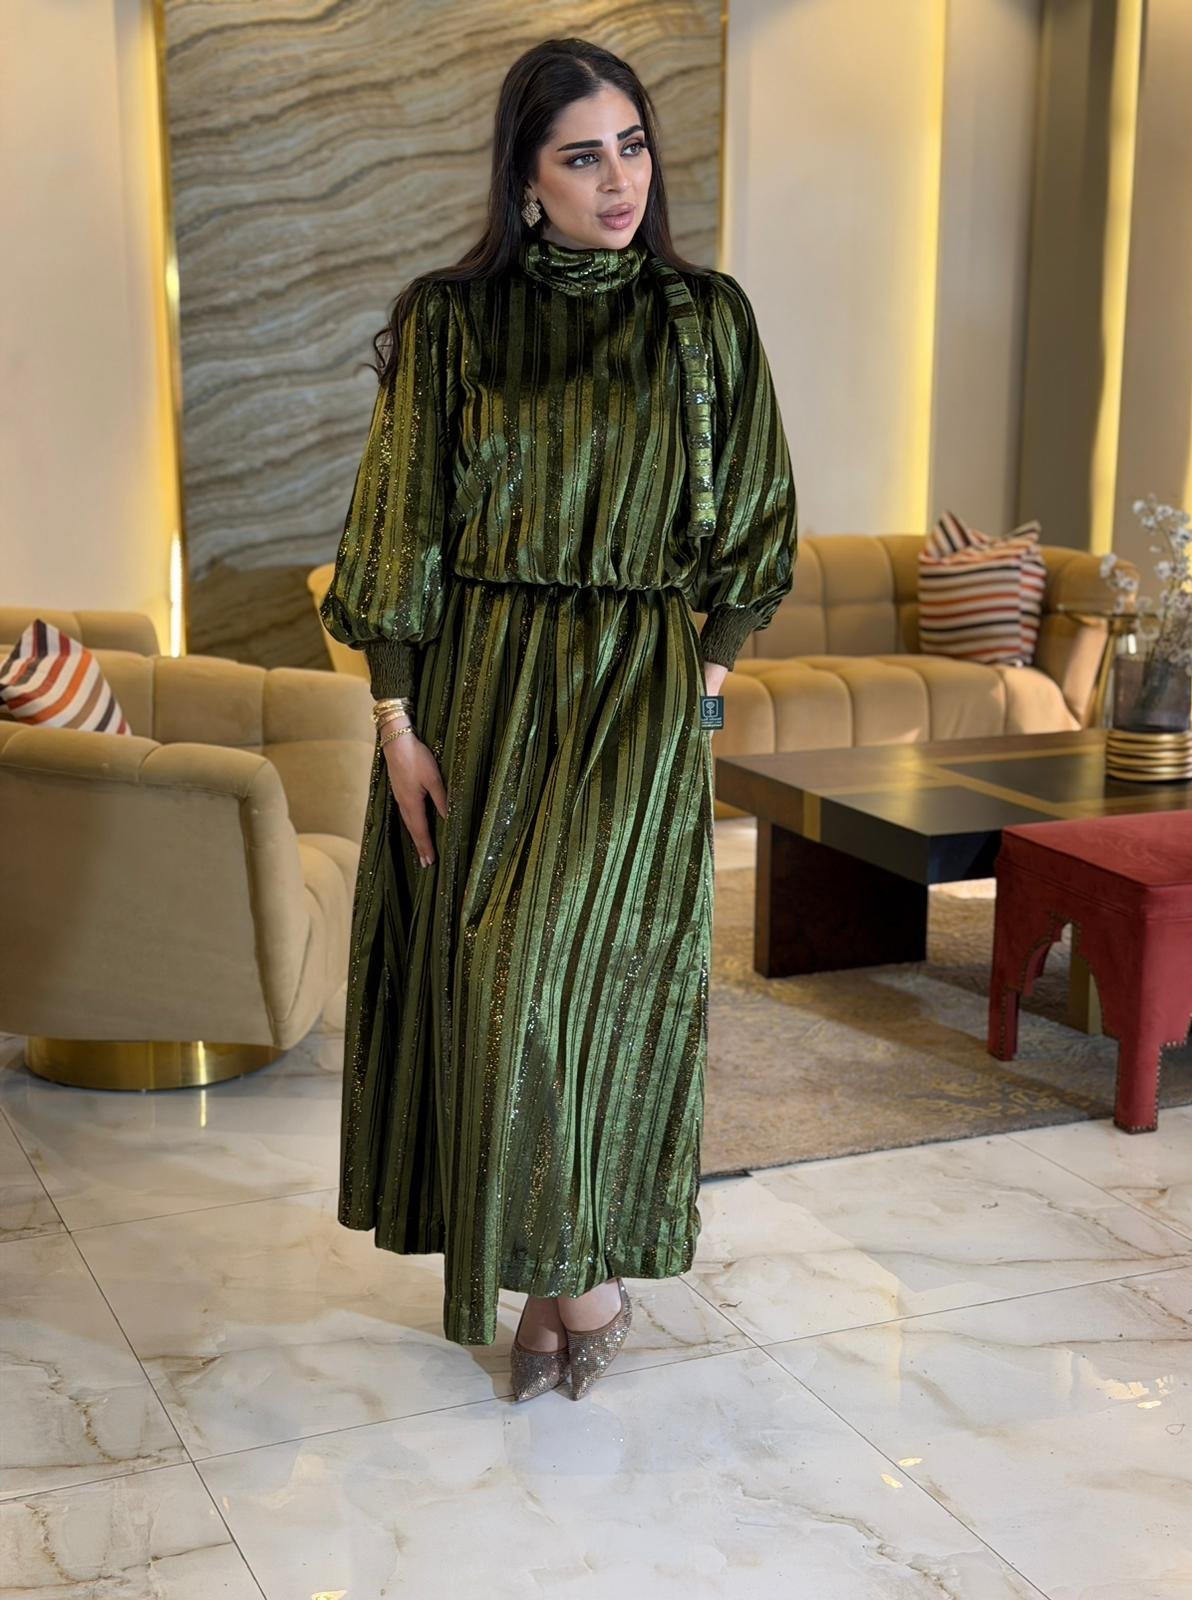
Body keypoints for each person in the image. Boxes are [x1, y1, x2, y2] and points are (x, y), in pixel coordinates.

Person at [319, 36, 797, 1401]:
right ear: (526, 179)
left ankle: (573, 1280)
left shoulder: (708, 320)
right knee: (493, 989)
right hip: (478, 692)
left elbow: (757, 518)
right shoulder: (451, 321)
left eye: (632, 146)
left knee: (576, 987)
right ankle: (560, 1283)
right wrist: (396, 724)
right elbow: (398, 531)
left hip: (635, 698)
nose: (618, 179)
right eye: (582, 156)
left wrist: (707, 683)